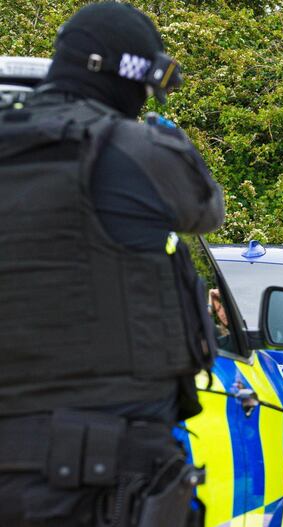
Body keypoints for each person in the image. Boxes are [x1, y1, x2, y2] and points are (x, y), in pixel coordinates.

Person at [0, 3, 224, 526]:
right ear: (126, 78)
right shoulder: (136, 150)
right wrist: (169, 142)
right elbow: (206, 209)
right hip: (108, 474)